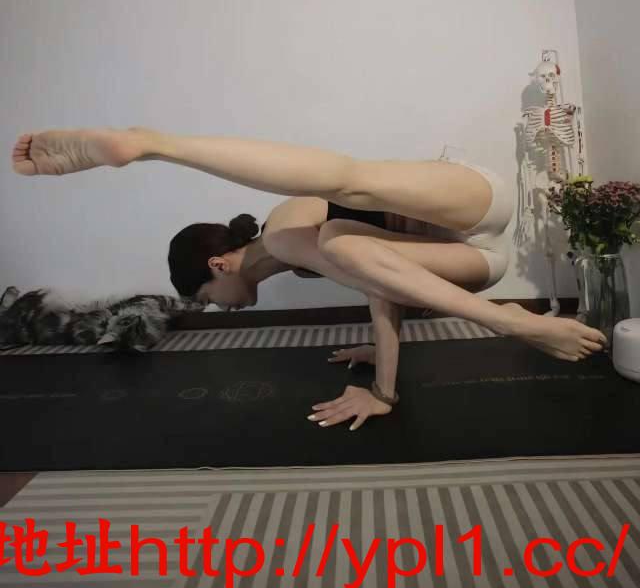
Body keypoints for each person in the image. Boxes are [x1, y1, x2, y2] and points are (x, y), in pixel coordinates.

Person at [11, 126, 607, 432]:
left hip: (468, 205)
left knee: (349, 195)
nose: (217, 309)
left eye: (206, 299)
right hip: (472, 260)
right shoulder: (294, 254)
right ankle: (151, 145)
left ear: (217, 265)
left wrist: (384, 393)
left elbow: (372, 277)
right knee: (348, 246)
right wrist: (381, 357)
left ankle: (153, 145)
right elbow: (385, 285)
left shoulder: (281, 231)